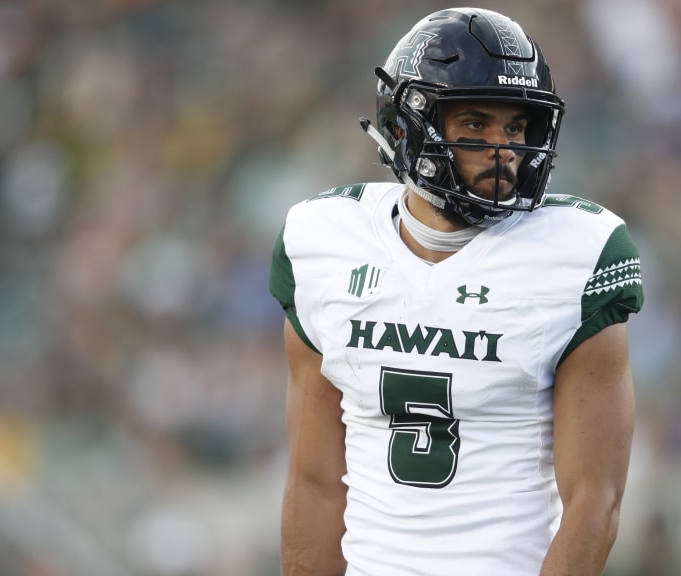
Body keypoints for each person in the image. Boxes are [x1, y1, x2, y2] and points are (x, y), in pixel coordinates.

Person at [269, 7, 644, 576]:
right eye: (475, 125)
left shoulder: (577, 256)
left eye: (515, 128)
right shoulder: (324, 243)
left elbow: (595, 501)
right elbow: (315, 485)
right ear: (407, 125)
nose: (504, 150)